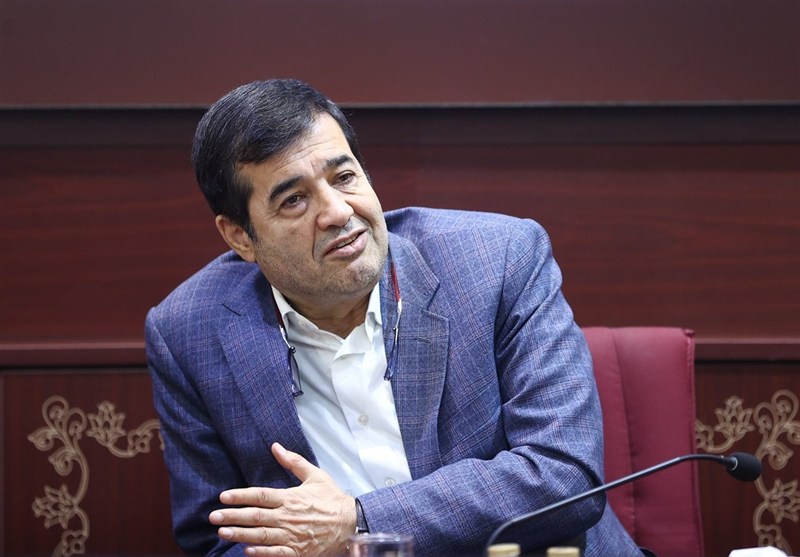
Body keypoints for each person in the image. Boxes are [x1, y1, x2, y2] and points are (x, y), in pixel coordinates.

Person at [146, 78, 644, 557]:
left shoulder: (499, 261)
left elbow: (563, 474)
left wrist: (358, 523)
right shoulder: (188, 332)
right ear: (240, 236)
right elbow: (217, 537)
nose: (337, 212)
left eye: (344, 178)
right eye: (294, 200)